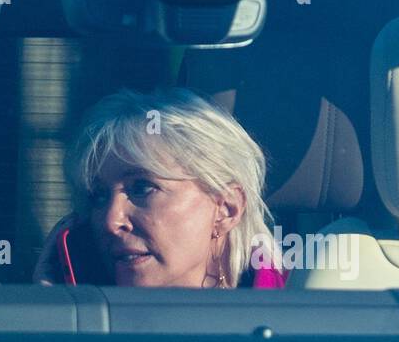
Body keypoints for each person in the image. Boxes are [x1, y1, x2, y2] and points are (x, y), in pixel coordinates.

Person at [35, 88, 286, 289]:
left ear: (226, 209)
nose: (111, 221)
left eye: (142, 188)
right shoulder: (89, 325)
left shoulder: (296, 332)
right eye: (99, 196)